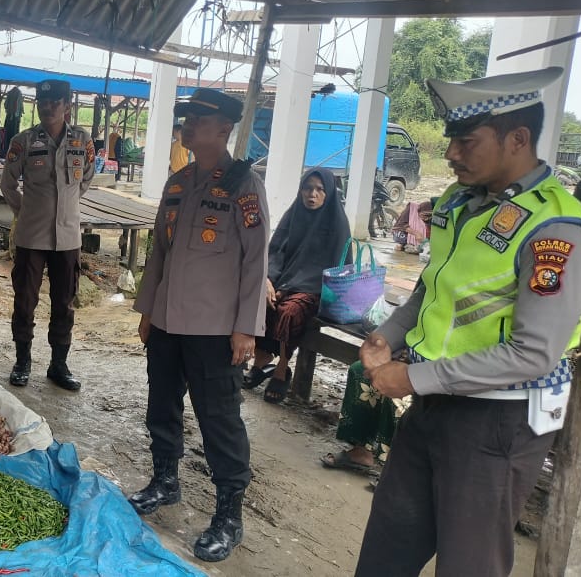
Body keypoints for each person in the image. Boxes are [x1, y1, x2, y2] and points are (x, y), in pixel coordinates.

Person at [354, 67, 581, 577]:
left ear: (517, 139)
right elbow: (431, 289)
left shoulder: (556, 227)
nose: (451, 154)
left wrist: (412, 377)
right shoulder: (460, 204)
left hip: (498, 422)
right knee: (385, 554)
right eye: (452, 140)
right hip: (434, 404)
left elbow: (533, 353)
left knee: (468, 565)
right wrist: (387, 336)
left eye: (467, 142)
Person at [129, 87, 269, 563]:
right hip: (168, 320)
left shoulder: (244, 185)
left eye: (197, 120)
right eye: (186, 118)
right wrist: (148, 310)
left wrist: (247, 327)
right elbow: (159, 253)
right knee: (161, 405)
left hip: (215, 329)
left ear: (224, 129)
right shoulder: (178, 182)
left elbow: (256, 261)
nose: (187, 126)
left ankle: (229, 515)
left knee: (219, 421)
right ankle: (165, 480)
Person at [0, 79, 94, 392]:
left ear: (67, 106)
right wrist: (25, 211)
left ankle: (59, 365)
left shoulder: (82, 140)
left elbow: (85, 179)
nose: (48, 107)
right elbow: (8, 184)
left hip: (68, 238)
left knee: (64, 303)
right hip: (32, 236)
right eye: (43, 102)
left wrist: (65, 205)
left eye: (55, 102)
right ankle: (22, 361)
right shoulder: (24, 141)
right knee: (25, 301)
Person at [243, 168, 350, 403]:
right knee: (262, 300)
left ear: (329, 193)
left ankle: (282, 368)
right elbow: (275, 252)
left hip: (317, 289)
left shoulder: (337, 223)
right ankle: (260, 361)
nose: (312, 194)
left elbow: (331, 268)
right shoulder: (293, 215)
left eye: (319, 189)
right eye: (307, 188)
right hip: (285, 281)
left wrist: (289, 287)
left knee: (289, 312)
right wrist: (268, 280)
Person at [320, 360, 410, 479]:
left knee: (396, 391)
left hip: (430, 373)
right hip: (410, 360)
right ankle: (362, 451)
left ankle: (397, 469)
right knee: (361, 370)